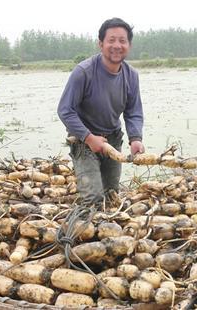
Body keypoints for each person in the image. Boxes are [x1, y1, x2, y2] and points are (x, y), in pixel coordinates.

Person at [58, 17, 145, 206]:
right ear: (101, 44)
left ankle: (108, 232)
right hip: (83, 140)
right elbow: (65, 110)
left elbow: (133, 110)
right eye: (111, 40)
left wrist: (136, 138)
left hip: (112, 140)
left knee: (112, 195)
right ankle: (85, 230)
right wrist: (89, 138)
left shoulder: (131, 75)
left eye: (122, 41)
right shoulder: (84, 72)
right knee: (93, 198)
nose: (117, 45)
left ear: (128, 45)